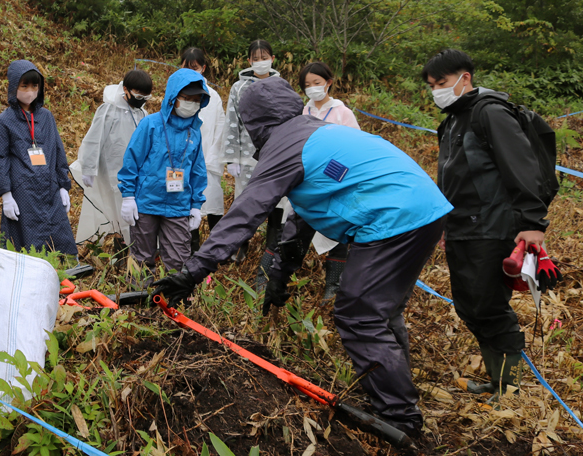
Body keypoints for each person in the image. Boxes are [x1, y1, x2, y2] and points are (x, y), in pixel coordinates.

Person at [153, 77, 451, 438]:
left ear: (255, 123)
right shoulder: (313, 133)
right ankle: (396, 390)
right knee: (381, 311)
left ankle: (400, 415)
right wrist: (279, 277)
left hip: (392, 218)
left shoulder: (284, 143)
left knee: (359, 314)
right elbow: (303, 217)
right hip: (427, 208)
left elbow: (244, 215)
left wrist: (191, 272)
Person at [422, 49, 550, 401]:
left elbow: (520, 165)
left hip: (493, 225)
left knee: (490, 305)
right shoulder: (452, 120)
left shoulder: (489, 112)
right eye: (432, 85)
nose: (437, 91)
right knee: (470, 305)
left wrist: (532, 221)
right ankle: (496, 381)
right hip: (463, 225)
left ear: (465, 77)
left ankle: (508, 388)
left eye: (442, 83)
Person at [118, 68, 209, 271]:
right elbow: (132, 160)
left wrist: (196, 205)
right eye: (187, 98)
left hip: (178, 205)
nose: (191, 103)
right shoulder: (150, 124)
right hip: (147, 202)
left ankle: (174, 300)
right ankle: (138, 299)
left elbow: (197, 170)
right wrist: (128, 196)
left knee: (178, 259)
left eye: (196, 99)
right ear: (173, 97)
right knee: (141, 258)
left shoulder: (194, 132)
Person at [220, 39, 290, 283]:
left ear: (273, 58)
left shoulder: (282, 85)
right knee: (245, 203)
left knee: (277, 204)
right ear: (249, 61)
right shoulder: (239, 87)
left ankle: (271, 251)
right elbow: (232, 122)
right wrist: (231, 156)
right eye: (256, 57)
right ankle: (240, 248)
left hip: (276, 157)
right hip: (247, 158)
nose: (261, 61)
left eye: (265, 56)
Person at [0, 60, 76, 256]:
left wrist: (63, 185)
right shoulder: (4, 121)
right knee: (26, 241)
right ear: (14, 87)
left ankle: (64, 275)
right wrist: (6, 195)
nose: (30, 91)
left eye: (34, 86)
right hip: (23, 191)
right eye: (24, 86)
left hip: (49, 187)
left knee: (58, 235)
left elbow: (57, 149)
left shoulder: (46, 117)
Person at [298, 61, 359, 300]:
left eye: (317, 83)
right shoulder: (305, 111)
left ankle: (333, 285)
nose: (313, 88)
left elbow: (355, 147)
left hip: (337, 179)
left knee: (337, 229)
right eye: (307, 85)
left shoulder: (342, 112)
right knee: (301, 225)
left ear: (329, 83)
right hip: (310, 179)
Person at [72, 69, 153, 247]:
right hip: (111, 169)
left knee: (132, 212)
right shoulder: (108, 110)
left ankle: (135, 248)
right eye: (138, 96)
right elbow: (94, 139)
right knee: (114, 212)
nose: (141, 102)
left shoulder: (142, 114)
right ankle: (120, 247)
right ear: (126, 90)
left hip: (136, 173)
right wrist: (89, 168)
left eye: (145, 98)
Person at [178, 48, 226, 251]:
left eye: (195, 68)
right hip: (181, 160)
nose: (190, 71)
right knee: (187, 205)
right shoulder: (176, 91)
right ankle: (192, 249)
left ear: (203, 68)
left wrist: (214, 160)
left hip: (207, 159)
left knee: (212, 202)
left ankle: (217, 248)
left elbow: (220, 129)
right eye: (186, 67)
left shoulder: (212, 96)